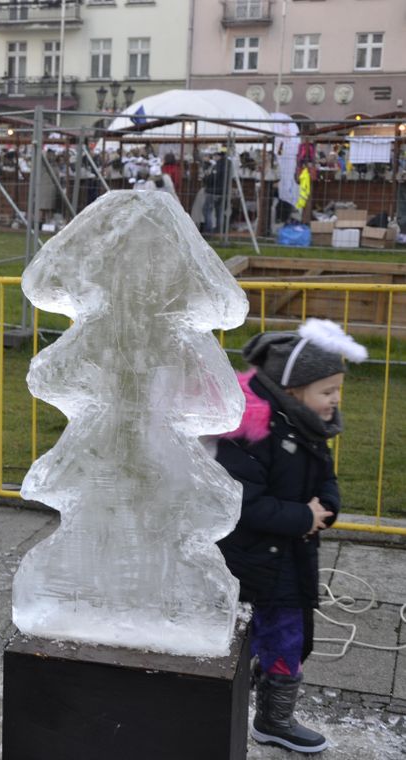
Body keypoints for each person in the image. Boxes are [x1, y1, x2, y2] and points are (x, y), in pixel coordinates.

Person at [215, 319, 368, 755]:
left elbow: (326, 479)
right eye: (327, 391)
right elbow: (243, 501)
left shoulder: (307, 427)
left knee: (297, 637)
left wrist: (328, 507)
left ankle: (268, 709)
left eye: (338, 389)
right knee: (275, 638)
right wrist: (303, 516)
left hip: (292, 554)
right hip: (256, 559)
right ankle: (272, 720)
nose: (335, 400)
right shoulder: (253, 433)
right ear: (294, 389)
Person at [204, 146, 230, 233]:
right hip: (224, 191)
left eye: (214, 155)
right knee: (220, 211)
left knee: (208, 210)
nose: (213, 157)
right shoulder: (228, 164)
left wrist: (207, 177)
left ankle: (209, 229)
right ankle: (220, 229)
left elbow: (213, 178)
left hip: (213, 191)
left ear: (218, 156)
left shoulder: (217, 166)